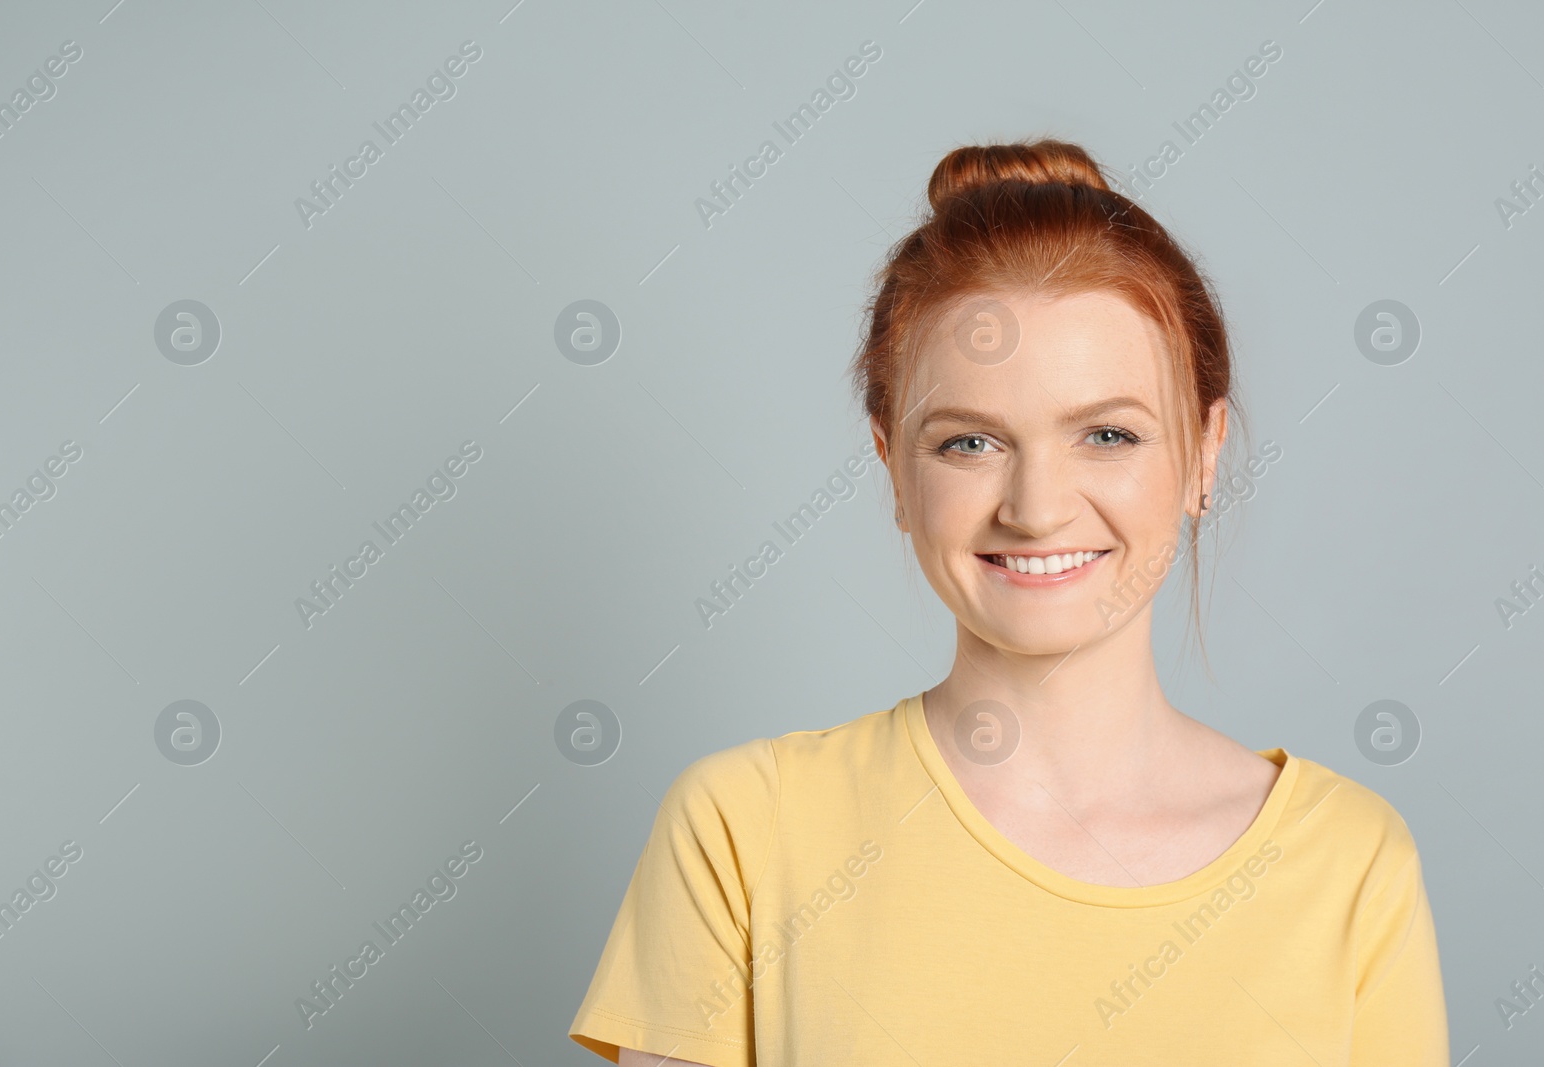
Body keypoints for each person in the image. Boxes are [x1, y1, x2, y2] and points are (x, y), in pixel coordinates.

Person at [568, 138, 1449, 1065]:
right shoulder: (744, 829)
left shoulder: (1350, 863)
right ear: (891, 465)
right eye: (969, 444)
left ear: (1205, 450)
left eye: (1108, 434)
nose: (1036, 509)